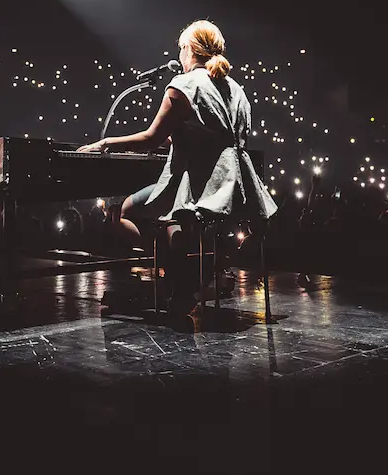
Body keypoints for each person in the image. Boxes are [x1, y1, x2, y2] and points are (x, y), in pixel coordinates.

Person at [76, 19, 277, 307]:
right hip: (237, 185)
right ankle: (187, 268)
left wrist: (105, 143)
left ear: (189, 49)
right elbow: (219, 137)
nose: (179, 55)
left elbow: (149, 138)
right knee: (174, 218)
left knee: (122, 213)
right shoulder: (237, 89)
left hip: (198, 184)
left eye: (181, 48)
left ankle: (177, 270)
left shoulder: (182, 85)